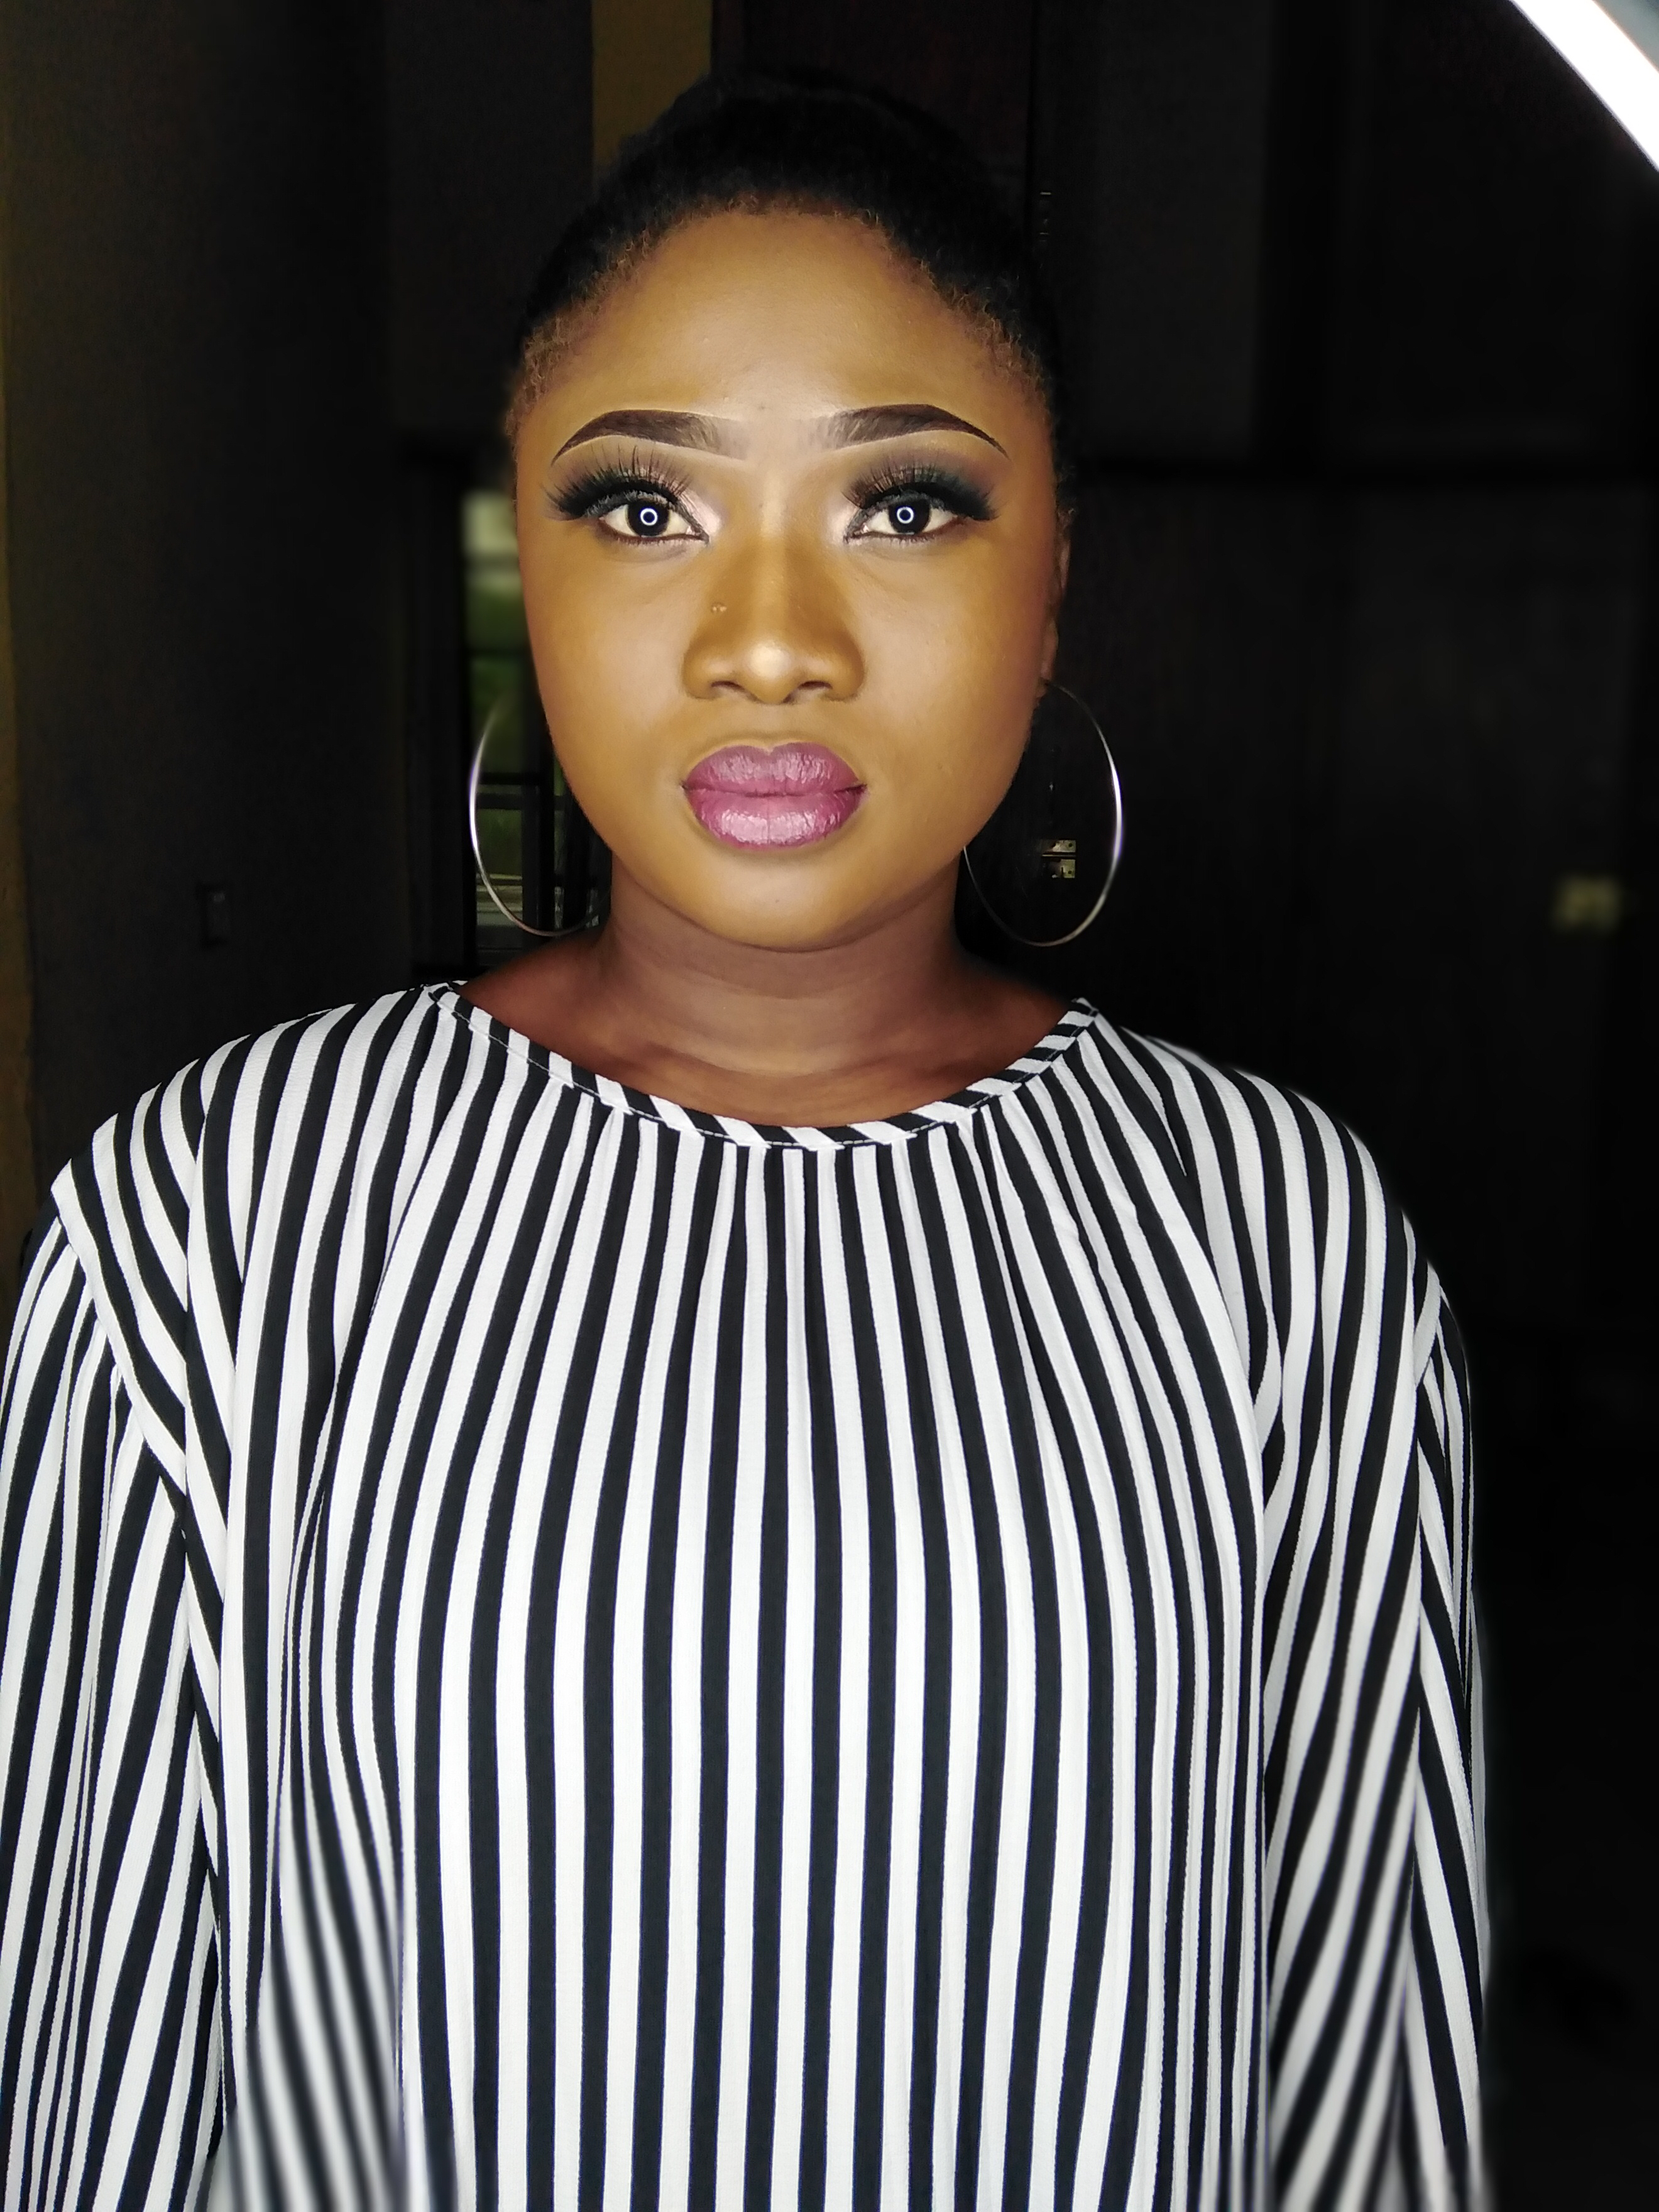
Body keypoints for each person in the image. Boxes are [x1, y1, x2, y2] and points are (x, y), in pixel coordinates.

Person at [0, 75, 1484, 2211]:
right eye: (642, 506)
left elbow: (1364, 2070)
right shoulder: (218, 1223)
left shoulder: (1280, 1241)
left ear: (1052, 584)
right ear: (526, 558)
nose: (769, 640)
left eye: (904, 504)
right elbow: (106, 2064)